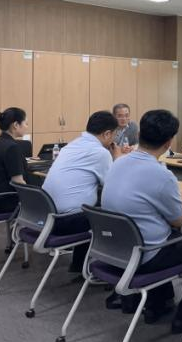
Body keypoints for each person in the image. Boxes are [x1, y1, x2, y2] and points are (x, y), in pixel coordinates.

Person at [101, 109, 182, 332]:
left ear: (139, 134)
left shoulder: (117, 163)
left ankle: (158, 303)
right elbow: (178, 220)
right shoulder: (161, 174)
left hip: (113, 248)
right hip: (143, 255)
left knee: (160, 234)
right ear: (169, 142)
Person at [42, 111, 122, 272]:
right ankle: (110, 270)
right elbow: (114, 187)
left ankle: (79, 264)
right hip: (64, 222)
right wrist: (118, 159)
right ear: (107, 134)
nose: (114, 139)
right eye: (114, 135)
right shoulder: (100, 153)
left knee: (90, 206)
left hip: (44, 216)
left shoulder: (72, 145)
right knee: (117, 218)